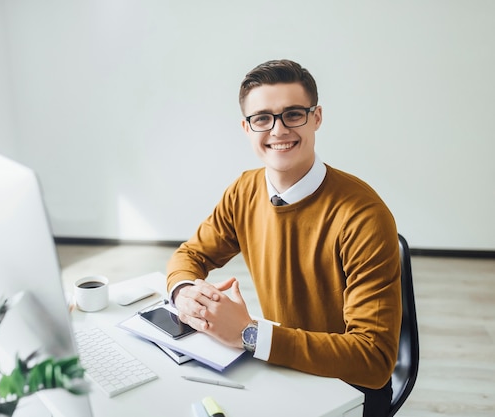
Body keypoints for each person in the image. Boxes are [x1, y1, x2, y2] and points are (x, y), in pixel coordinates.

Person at [166, 59, 401, 417]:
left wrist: (249, 334)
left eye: (293, 114)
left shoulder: (363, 215)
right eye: (262, 118)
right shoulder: (244, 190)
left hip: (346, 391)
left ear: (317, 117)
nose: (278, 130)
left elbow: (373, 360)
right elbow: (191, 255)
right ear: (246, 128)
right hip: (281, 368)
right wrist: (184, 293)